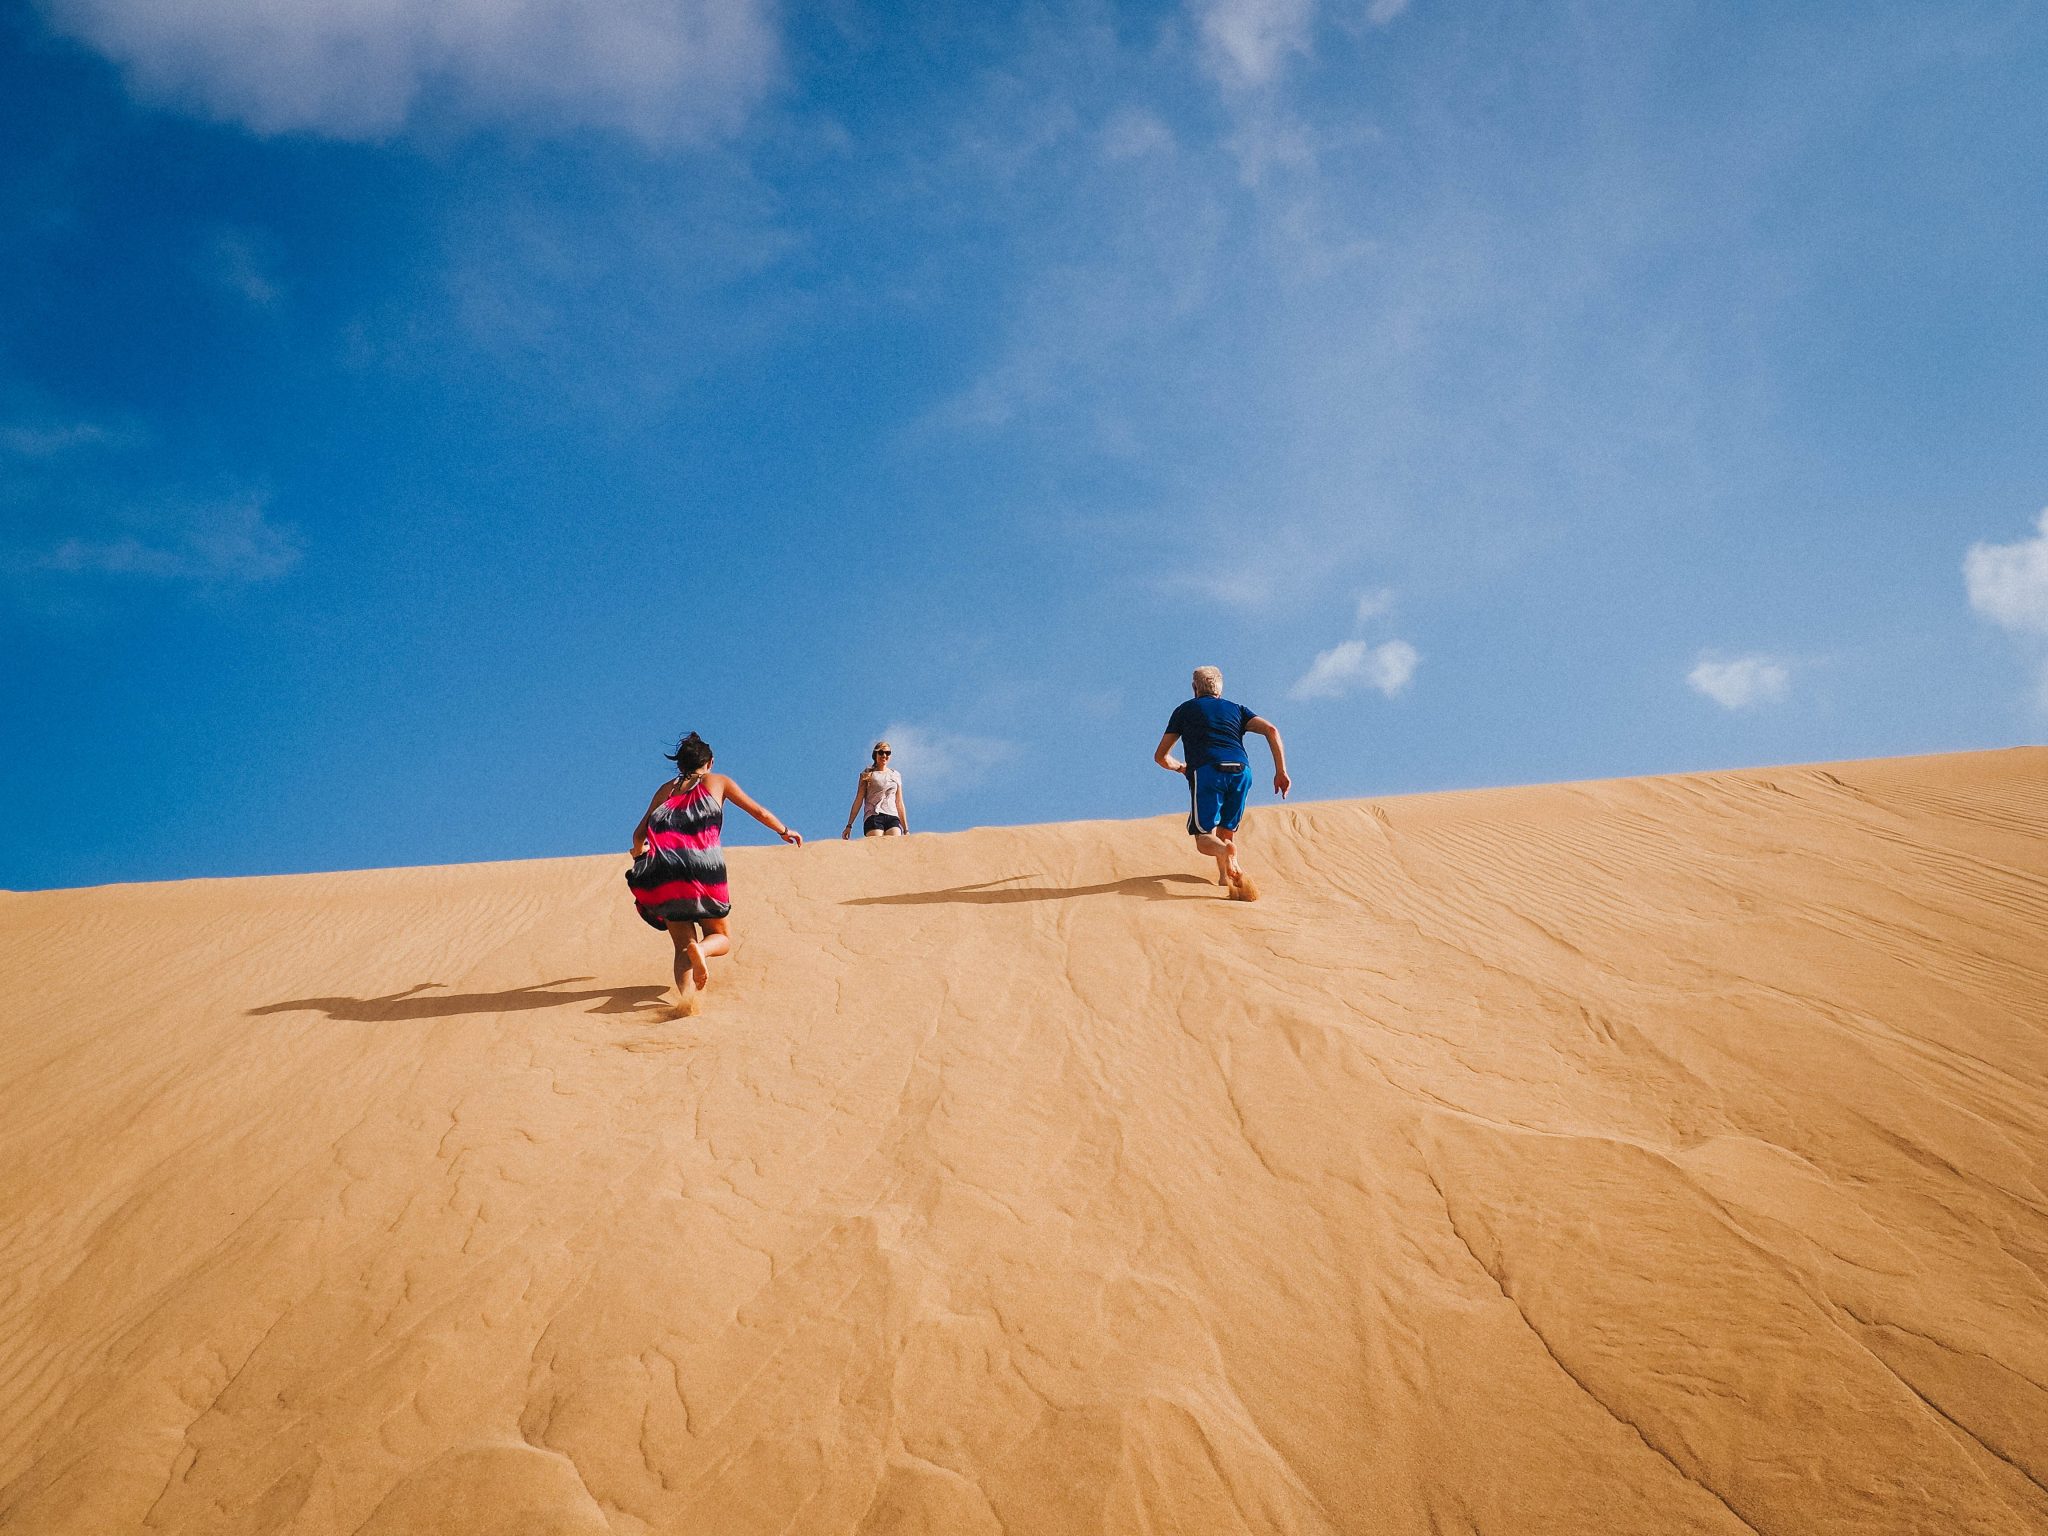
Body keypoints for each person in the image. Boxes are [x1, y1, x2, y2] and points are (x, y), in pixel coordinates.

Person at [627, 732, 801, 1014]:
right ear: (710, 762)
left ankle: (687, 1001)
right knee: (721, 937)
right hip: (706, 868)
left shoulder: (665, 791)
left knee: (683, 945)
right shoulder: (718, 782)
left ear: (681, 765)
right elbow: (758, 811)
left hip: (667, 874)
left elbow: (638, 835)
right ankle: (704, 951)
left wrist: (639, 853)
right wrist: (784, 830)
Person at [1153, 666, 1289, 901]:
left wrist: (1181, 767)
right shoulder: (1237, 709)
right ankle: (1226, 878)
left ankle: (1224, 851)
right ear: (1220, 688)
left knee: (1204, 837)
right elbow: (1271, 729)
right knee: (1227, 830)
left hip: (1207, 770)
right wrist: (1281, 772)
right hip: (1241, 771)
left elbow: (1161, 756)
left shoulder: (1184, 710)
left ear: (1195, 688)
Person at [843, 740, 910, 839]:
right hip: (874, 816)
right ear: (875, 754)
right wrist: (849, 825)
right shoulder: (867, 774)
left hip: (892, 816)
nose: (884, 755)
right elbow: (858, 800)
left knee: (894, 845)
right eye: (881, 752)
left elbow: (899, 802)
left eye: (887, 753)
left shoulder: (895, 775)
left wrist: (906, 829)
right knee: (877, 846)